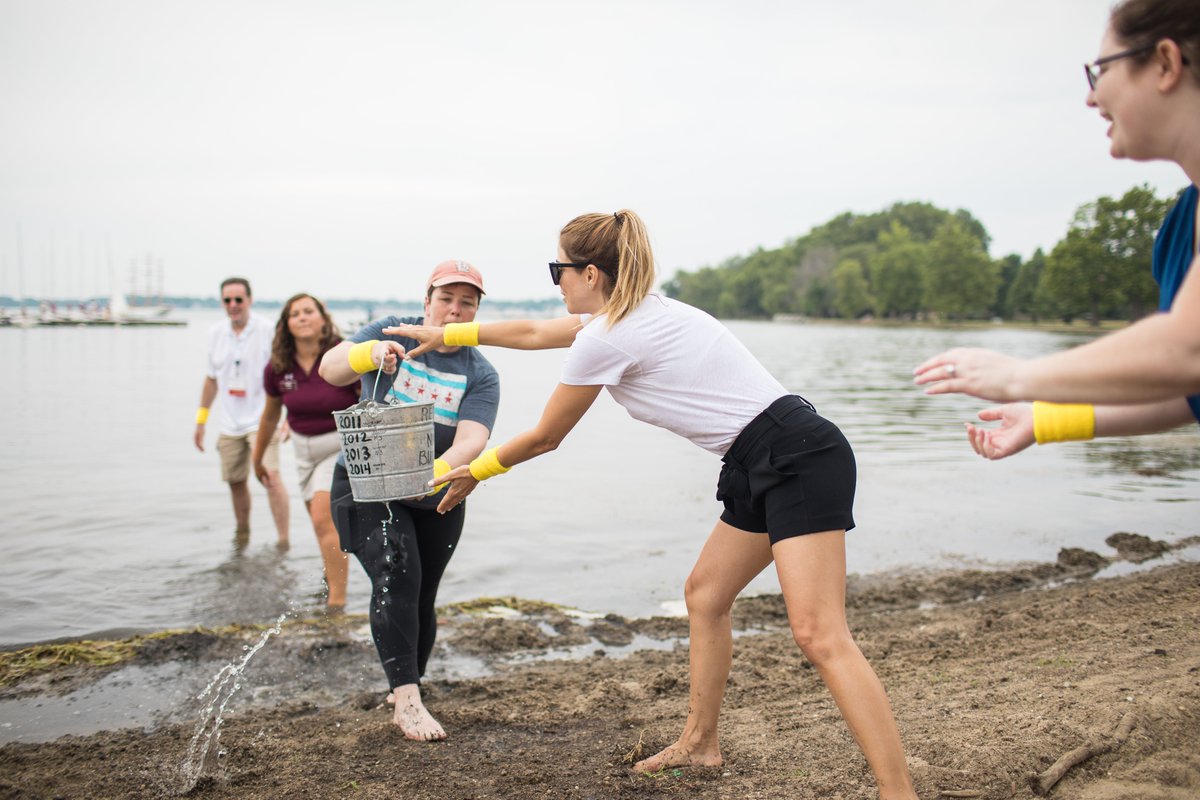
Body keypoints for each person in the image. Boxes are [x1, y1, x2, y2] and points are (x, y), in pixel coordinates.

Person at [390, 212, 917, 799]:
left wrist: (478, 470)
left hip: (795, 454)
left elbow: (545, 436)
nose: (555, 283)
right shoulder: (636, 312)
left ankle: (900, 794)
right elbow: (540, 333)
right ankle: (700, 743)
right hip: (759, 454)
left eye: (557, 269)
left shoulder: (610, 335)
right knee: (707, 595)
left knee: (819, 633)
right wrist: (451, 335)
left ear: (590, 273)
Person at [914, 0, 1200, 457]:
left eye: (1100, 71)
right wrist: (1045, 418)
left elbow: (1190, 350)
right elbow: (1190, 388)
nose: (1090, 97)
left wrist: (1015, 375)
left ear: (1165, 63)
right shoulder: (1183, 220)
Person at [318, 260, 499, 742]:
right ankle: (408, 701)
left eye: (468, 303)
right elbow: (329, 368)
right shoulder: (389, 332)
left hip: (436, 493)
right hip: (366, 484)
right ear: (427, 301)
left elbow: (472, 441)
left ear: (477, 312)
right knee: (397, 571)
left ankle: (404, 688)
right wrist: (371, 352)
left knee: (422, 592)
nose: (455, 311)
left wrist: (433, 474)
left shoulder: (480, 372)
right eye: (447, 299)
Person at [252, 293, 360, 610]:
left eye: (308, 311)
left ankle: (336, 604)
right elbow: (271, 415)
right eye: (294, 313)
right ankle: (331, 582)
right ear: (286, 324)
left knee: (323, 518)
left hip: (338, 444)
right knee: (318, 523)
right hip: (301, 451)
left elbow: (369, 396)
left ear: (323, 318)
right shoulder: (278, 367)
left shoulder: (342, 354)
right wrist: (257, 459)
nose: (302, 317)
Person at [194, 277, 290, 548]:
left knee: (271, 477)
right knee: (235, 482)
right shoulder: (215, 333)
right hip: (229, 422)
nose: (233, 305)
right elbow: (211, 379)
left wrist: (288, 417)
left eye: (238, 299)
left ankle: (283, 543)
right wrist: (201, 421)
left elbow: (283, 373)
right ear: (222, 302)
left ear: (249, 300)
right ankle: (242, 537)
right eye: (227, 300)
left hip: (263, 419)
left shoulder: (267, 330)